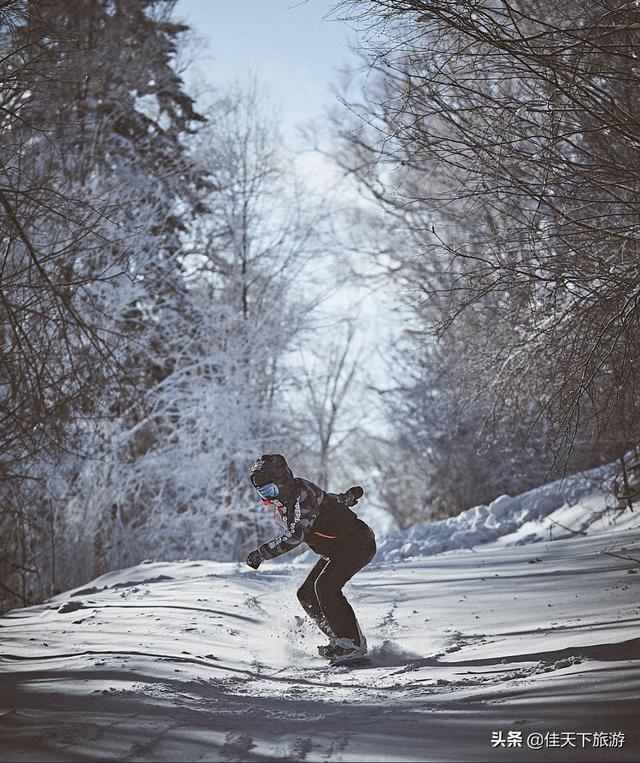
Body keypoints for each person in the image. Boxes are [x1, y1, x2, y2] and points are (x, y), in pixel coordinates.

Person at [245, 453, 376, 663]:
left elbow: (296, 534)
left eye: (270, 490)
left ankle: (352, 643)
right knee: (306, 594)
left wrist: (262, 553)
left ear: (282, 480)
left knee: (325, 587)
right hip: (337, 549)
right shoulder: (289, 500)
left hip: (356, 544)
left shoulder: (300, 495)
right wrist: (347, 497)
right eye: (262, 492)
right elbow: (326, 498)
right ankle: (339, 638)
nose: (268, 497)